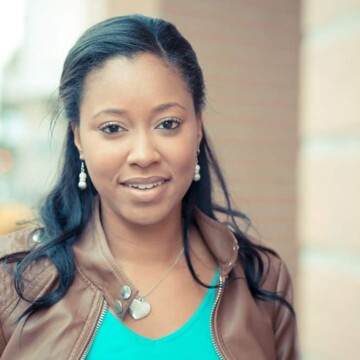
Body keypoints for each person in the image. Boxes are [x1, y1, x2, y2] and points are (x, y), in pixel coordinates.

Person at [0, 14, 298, 359]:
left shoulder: (262, 280)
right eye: (112, 128)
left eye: (168, 123)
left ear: (198, 127)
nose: (143, 154)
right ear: (79, 137)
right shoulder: (12, 282)